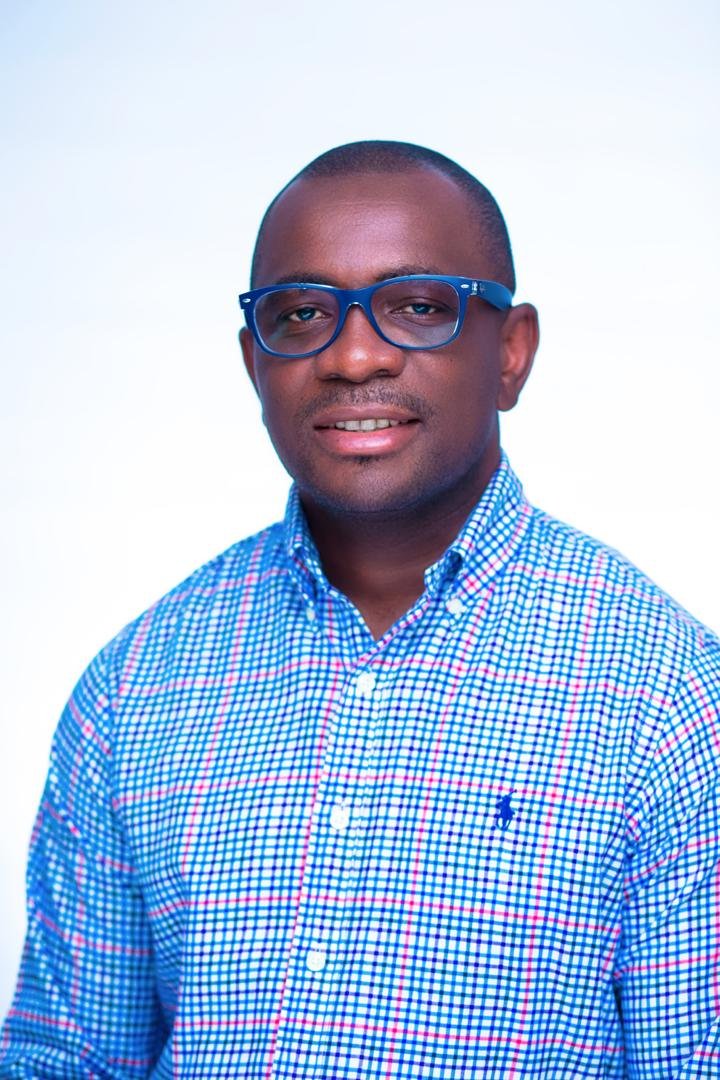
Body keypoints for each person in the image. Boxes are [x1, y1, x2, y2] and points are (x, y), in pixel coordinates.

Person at [1, 140, 719, 1080]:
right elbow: (66, 1058)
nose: (352, 355)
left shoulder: (668, 697)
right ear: (254, 362)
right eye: (301, 314)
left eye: (417, 306)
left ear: (511, 352)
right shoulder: (135, 686)